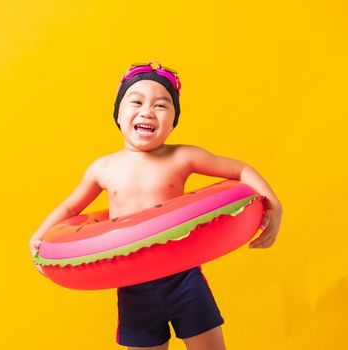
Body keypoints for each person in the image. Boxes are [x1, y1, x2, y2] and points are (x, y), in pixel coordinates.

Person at [28, 60, 283, 350]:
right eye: (136, 101)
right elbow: (70, 210)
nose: (148, 110)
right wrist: (40, 237)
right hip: (133, 284)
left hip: (184, 277)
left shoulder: (182, 157)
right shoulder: (103, 168)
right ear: (119, 115)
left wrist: (275, 205)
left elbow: (241, 171)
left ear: (174, 120)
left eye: (161, 105)